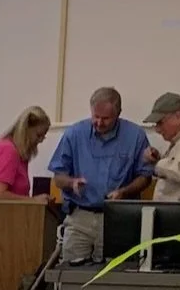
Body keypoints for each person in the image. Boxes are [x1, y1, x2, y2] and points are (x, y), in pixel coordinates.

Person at [48, 85, 153, 265]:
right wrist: (71, 182)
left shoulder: (135, 136)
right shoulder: (74, 134)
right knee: (70, 274)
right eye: (95, 116)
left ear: (118, 114)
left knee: (116, 277)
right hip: (80, 217)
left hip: (119, 219)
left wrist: (124, 192)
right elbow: (58, 176)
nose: (99, 122)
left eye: (106, 118)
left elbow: (145, 177)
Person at [0, 105, 51, 200]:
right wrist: (34, 201)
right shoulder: (8, 150)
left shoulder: (20, 154)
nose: (41, 140)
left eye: (43, 136)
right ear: (26, 130)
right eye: (38, 135)